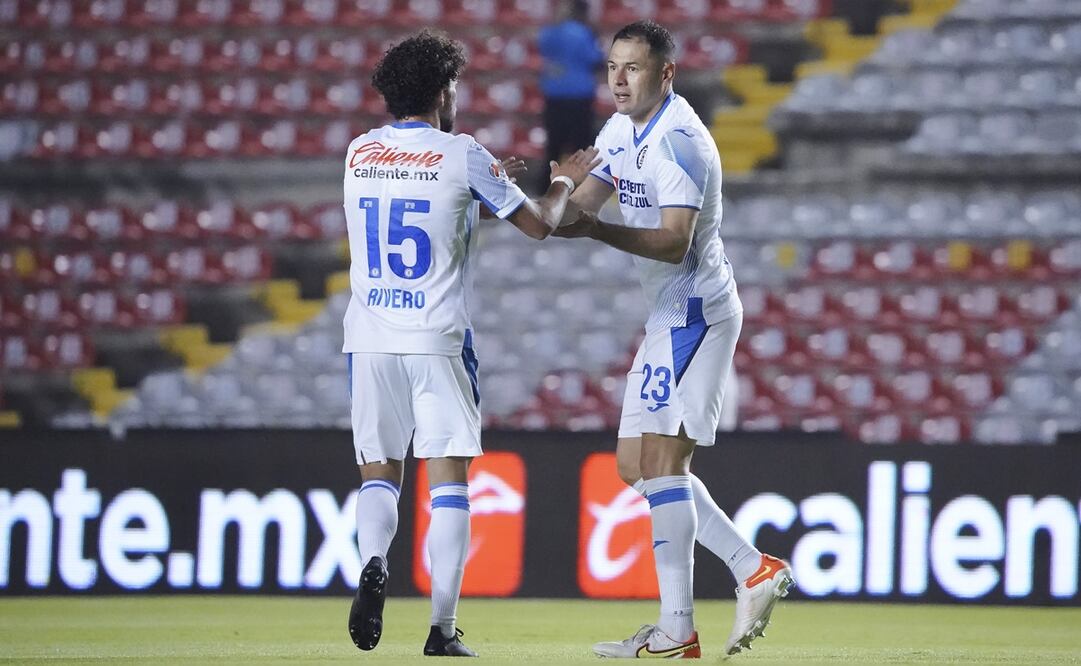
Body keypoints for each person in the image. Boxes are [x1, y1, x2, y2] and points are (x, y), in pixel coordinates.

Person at [342, 30, 599, 658]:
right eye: (453, 86)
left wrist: (485, 190)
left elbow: (421, 206)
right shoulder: (461, 153)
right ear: (440, 91)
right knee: (448, 485)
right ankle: (442, 628)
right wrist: (562, 181)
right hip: (437, 340)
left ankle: (374, 561)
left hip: (370, 339)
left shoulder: (358, 153)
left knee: (380, 474)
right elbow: (539, 224)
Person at [552, 20, 795, 658]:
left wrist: (591, 229)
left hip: (696, 311)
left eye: (634, 68)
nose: (619, 80)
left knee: (664, 465)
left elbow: (673, 240)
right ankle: (752, 569)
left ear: (666, 73)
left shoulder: (681, 141)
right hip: (665, 315)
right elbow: (579, 207)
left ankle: (676, 628)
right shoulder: (618, 130)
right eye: (612, 67)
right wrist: (551, 194)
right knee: (634, 466)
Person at [538, 0, 604, 180]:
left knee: (553, 147)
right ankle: (579, 189)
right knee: (581, 147)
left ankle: (546, 191)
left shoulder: (550, 32)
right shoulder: (583, 32)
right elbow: (596, 59)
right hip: (579, 95)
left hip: (554, 95)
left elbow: (543, 49)